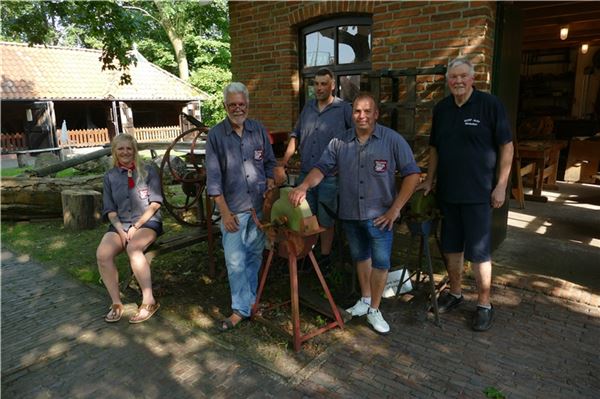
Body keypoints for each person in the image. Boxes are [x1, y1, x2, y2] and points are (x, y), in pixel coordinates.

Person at [289, 93, 420, 334]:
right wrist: (304, 186)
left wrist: (395, 209)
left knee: (381, 263)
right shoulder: (340, 142)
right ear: (352, 114)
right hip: (350, 213)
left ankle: (375, 310)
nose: (362, 116)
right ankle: (366, 299)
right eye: (357, 111)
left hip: (380, 217)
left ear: (376, 114)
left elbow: (412, 174)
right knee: (361, 257)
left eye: (367, 111)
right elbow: (321, 168)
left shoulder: (392, 140)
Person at [418, 57, 514, 332]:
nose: (458, 81)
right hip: (448, 194)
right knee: (451, 248)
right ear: (448, 81)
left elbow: (506, 146)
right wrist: (430, 179)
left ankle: (484, 304)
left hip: (479, 194)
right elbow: (435, 148)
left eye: (463, 76)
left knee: (479, 253)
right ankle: (456, 293)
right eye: (453, 77)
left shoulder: (489, 105)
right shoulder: (442, 109)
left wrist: (501, 185)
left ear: (473, 79)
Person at [206, 82, 276, 332]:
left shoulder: (257, 129)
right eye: (233, 104)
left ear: (248, 105)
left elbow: (269, 162)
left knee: (254, 256)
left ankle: (249, 302)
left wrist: (270, 179)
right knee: (235, 261)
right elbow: (213, 180)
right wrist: (224, 212)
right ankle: (239, 309)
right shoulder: (216, 136)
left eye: (242, 104)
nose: (238, 108)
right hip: (233, 210)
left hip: (257, 208)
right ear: (225, 106)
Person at [274, 68, 353, 266]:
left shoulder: (344, 109)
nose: (319, 88)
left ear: (332, 85)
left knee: (325, 219)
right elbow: (295, 135)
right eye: (316, 84)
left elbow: (355, 140)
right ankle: (307, 255)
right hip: (305, 175)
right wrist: (284, 162)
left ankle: (325, 258)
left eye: (323, 84)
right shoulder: (308, 108)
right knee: (303, 217)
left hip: (330, 177)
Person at [97, 133, 163, 324]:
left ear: (134, 150)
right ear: (114, 152)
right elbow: (110, 211)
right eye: (121, 149)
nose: (125, 152)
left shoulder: (148, 171)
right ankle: (117, 303)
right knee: (102, 254)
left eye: (129, 148)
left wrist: (136, 226)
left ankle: (149, 301)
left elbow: (155, 204)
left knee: (133, 248)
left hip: (147, 222)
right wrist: (121, 230)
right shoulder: (109, 177)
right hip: (120, 224)